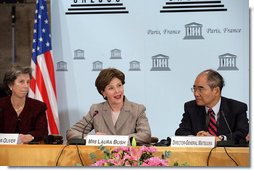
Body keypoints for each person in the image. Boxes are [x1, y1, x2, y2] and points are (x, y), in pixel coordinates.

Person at [66, 68, 151, 145]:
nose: (117, 91)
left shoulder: (137, 109)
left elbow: (145, 135)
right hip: (100, 158)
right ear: (103, 92)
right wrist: (92, 138)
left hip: (128, 158)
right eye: (111, 88)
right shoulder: (96, 110)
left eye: (119, 85)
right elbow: (71, 132)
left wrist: (115, 140)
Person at [175, 69, 249, 144]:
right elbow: (181, 131)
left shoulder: (237, 108)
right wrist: (196, 139)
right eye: (194, 88)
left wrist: (220, 139)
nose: (196, 94)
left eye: (200, 89)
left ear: (216, 91)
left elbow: (242, 132)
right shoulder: (190, 107)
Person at [0, 64, 48, 143]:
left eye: (28, 82)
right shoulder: (1, 105)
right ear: (10, 85)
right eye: (21, 82)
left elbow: (43, 132)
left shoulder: (38, 107)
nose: (26, 86)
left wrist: (31, 136)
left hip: (29, 152)